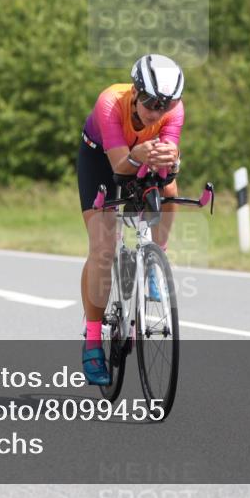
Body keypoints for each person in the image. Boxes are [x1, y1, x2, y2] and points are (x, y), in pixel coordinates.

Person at [76, 54, 185, 384]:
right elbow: (120, 167)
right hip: (102, 157)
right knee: (104, 247)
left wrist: (172, 161)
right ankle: (93, 339)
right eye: (151, 102)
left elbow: (168, 164)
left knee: (170, 191)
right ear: (136, 93)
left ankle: (157, 256)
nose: (156, 111)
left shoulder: (173, 111)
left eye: (164, 106)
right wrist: (138, 155)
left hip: (141, 153)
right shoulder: (110, 103)